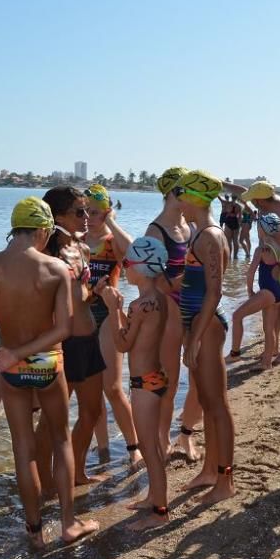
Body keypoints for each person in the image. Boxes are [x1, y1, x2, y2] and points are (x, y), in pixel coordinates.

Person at [0, 196, 99, 546]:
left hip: (11, 368)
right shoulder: (55, 268)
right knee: (60, 440)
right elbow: (63, 329)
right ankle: (69, 525)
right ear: (43, 230)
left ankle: (34, 532)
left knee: (23, 448)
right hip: (47, 362)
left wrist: (6, 353)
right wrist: (19, 352)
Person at [100, 236, 172, 530]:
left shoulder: (140, 305)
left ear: (140, 268)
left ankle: (160, 511)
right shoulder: (161, 299)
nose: (123, 267)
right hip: (157, 379)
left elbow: (121, 344)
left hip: (145, 385)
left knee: (150, 449)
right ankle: (153, 497)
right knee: (153, 445)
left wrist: (111, 308)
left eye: (126, 263)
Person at [175, 169, 236, 504]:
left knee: (217, 406)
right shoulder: (203, 232)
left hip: (207, 326)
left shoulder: (209, 236)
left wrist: (194, 338)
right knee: (210, 404)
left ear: (195, 197)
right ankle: (211, 470)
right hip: (200, 324)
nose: (179, 200)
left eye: (183, 193)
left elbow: (214, 292)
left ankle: (225, 481)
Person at [42, 186, 106, 485]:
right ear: (56, 216)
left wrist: (100, 293)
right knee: (51, 422)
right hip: (62, 344)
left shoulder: (82, 249)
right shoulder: (45, 254)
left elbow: (80, 295)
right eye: (78, 212)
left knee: (93, 411)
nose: (86, 217)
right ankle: (43, 481)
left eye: (87, 210)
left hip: (89, 338)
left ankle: (74, 472)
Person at [83, 184, 141, 468]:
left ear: (106, 213)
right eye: (84, 211)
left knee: (113, 387)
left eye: (95, 212)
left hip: (107, 314)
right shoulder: (77, 241)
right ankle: (103, 449)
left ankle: (134, 448)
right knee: (92, 388)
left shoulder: (111, 240)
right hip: (82, 316)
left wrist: (112, 222)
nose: (88, 217)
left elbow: (132, 255)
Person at [146, 167, 201, 460]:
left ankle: (186, 435)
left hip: (194, 309)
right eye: (184, 192)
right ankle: (162, 440)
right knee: (168, 382)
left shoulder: (192, 227)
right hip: (169, 315)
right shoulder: (155, 231)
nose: (189, 198)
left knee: (199, 381)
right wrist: (195, 269)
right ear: (171, 194)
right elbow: (155, 283)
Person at [234, 180, 280, 365]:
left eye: (254, 199)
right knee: (270, 307)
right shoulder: (265, 206)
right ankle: (272, 348)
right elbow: (242, 193)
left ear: (261, 198)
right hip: (270, 260)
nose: (253, 203)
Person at [227, 213, 280, 369]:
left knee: (237, 315)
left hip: (267, 292)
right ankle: (267, 362)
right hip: (277, 291)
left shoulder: (262, 249)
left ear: (262, 229)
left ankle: (234, 354)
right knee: (269, 328)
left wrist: (250, 290)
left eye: (258, 226)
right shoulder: (278, 247)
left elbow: (251, 272)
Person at [219, 194, 242, 259]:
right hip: (235, 222)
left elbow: (224, 212)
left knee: (229, 240)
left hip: (229, 221)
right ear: (236, 198)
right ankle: (235, 256)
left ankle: (229, 256)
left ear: (231, 197)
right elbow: (240, 217)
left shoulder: (228, 204)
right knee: (235, 240)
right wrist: (239, 225)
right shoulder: (239, 206)